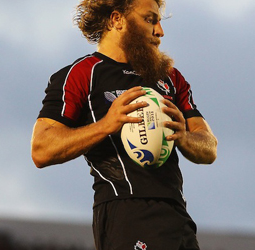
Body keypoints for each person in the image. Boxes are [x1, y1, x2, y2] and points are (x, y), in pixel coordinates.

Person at [31, 0, 217, 249]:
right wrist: (107, 125)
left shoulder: (170, 77)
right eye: (150, 19)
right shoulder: (81, 74)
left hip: (178, 217)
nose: (160, 31)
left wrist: (183, 136)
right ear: (117, 20)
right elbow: (41, 149)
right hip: (126, 212)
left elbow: (210, 148)